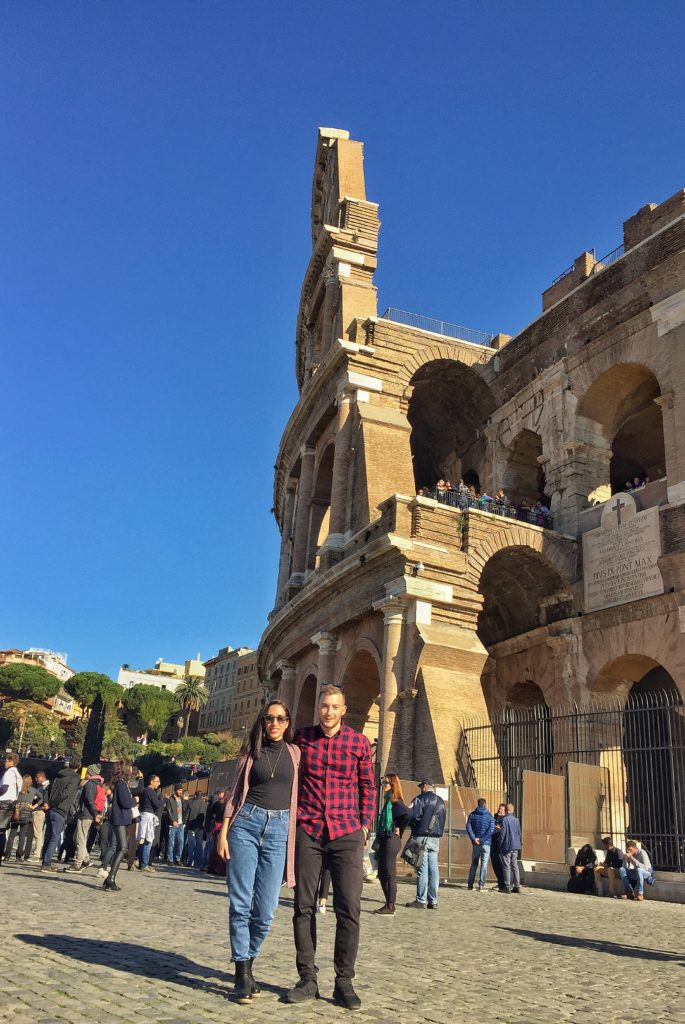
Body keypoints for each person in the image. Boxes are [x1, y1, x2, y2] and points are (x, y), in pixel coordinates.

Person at [286, 683, 376, 1011]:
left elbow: (368, 784)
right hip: (309, 829)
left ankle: (344, 981)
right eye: (324, 706)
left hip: (346, 831)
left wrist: (365, 824)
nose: (328, 712)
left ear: (343, 710)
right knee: (303, 906)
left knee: (349, 908)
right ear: (318, 708)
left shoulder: (359, 742)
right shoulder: (301, 739)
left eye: (334, 707)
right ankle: (307, 978)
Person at [217, 699, 299, 1005]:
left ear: (288, 723)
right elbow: (235, 793)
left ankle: (248, 962)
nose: (275, 723)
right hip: (246, 825)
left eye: (280, 719)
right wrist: (224, 832)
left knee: (265, 910)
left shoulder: (295, 754)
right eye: (269, 718)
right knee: (240, 903)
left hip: (279, 830)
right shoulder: (250, 753)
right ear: (262, 722)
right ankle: (242, 973)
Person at [405, 780, 446, 911]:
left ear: (425, 786)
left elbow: (413, 816)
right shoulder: (441, 801)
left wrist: (412, 826)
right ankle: (433, 901)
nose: (420, 789)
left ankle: (421, 899)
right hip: (435, 837)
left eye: (421, 786)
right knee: (434, 869)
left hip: (421, 836)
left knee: (421, 868)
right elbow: (443, 819)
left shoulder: (420, 799)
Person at [374, 773, 411, 916]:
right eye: (383, 783)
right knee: (382, 873)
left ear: (393, 785)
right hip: (385, 839)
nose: (384, 786)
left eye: (386, 784)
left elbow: (408, 814)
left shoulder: (396, 803)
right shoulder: (388, 801)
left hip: (392, 840)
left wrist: (400, 828)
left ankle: (391, 906)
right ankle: (388, 903)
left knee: (389, 873)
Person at [41, 757, 81, 872]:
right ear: (78, 766)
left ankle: (45, 861)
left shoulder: (58, 775)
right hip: (60, 809)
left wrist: (47, 802)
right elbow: (66, 793)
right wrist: (54, 803)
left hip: (50, 809)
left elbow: (47, 789)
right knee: (55, 837)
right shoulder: (74, 778)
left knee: (48, 836)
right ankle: (47, 863)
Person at [102, 762, 136, 891]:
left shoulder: (122, 783)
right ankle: (111, 877)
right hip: (120, 819)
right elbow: (126, 802)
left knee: (120, 848)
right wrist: (135, 801)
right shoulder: (121, 783)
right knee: (122, 848)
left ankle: (110, 878)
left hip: (121, 818)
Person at [67, 763, 105, 873]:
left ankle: (77, 864)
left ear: (90, 772)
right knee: (79, 837)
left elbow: (89, 800)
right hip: (89, 814)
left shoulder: (89, 784)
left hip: (86, 814)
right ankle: (86, 859)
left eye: (87, 771)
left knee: (80, 839)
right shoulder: (98, 783)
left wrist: (94, 814)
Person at [5, 773, 41, 861]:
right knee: (22, 836)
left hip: (16, 813)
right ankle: (18, 856)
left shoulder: (18, 790)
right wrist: (33, 806)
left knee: (12, 835)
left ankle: (7, 855)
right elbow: (42, 798)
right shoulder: (33, 790)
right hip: (27, 814)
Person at [466, 797, 495, 891]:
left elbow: (468, 827)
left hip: (476, 844)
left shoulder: (472, 815)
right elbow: (491, 830)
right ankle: (481, 884)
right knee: (484, 864)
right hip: (486, 843)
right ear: (485, 804)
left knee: (474, 863)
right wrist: (482, 840)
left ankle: (470, 884)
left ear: (478, 804)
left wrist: (474, 838)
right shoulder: (490, 816)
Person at [0, 752, 24, 864]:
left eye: (6, 760)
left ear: (11, 761)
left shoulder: (9, 773)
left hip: (3, 803)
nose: (4, 762)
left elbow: (4, 788)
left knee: (0, 831)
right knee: (3, 831)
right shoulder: (18, 775)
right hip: (12, 803)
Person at [136, 774, 163, 870]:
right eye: (157, 781)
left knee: (142, 840)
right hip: (148, 816)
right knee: (148, 840)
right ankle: (144, 863)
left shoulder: (143, 790)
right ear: (152, 782)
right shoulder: (150, 791)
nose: (159, 784)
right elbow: (157, 804)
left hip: (143, 815)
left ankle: (140, 861)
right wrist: (162, 800)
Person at [498, 803, 522, 893]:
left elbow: (503, 834)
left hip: (507, 846)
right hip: (515, 846)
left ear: (507, 811)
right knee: (515, 866)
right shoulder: (516, 820)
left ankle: (507, 886)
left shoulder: (505, 820)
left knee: (506, 866)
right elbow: (519, 833)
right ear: (513, 810)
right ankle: (517, 886)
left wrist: (500, 844)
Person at [29, 770, 49, 863]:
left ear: (42, 777)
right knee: (39, 833)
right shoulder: (42, 786)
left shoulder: (45, 786)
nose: (36, 779)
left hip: (40, 811)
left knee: (38, 833)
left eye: (37, 777)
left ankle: (36, 855)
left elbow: (42, 799)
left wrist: (35, 806)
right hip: (41, 810)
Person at [185, 790, 208, 868]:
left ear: (195, 795)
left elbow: (187, 815)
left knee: (191, 844)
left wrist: (186, 824)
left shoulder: (191, 803)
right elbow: (206, 817)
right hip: (200, 827)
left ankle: (190, 861)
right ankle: (198, 862)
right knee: (199, 844)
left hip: (191, 826)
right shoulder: (205, 804)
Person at [165, 784, 186, 866]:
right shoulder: (170, 799)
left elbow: (184, 811)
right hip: (173, 824)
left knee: (181, 842)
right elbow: (169, 811)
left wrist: (184, 821)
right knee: (171, 842)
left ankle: (178, 858)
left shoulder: (182, 799)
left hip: (181, 824)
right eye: (179, 790)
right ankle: (170, 859)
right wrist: (173, 820)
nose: (180, 792)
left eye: (181, 790)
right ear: (175, 790)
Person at [490, 802, 507, 891]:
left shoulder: (505, 820)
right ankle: (500, 882)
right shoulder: (494, 818)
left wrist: (500, 830)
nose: (500, 810)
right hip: (493, 843)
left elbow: (505, 832)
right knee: (495, 865)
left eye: (502, 809)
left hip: (500, 844)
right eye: (499, 809)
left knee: (501, 865)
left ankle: (503, 883)